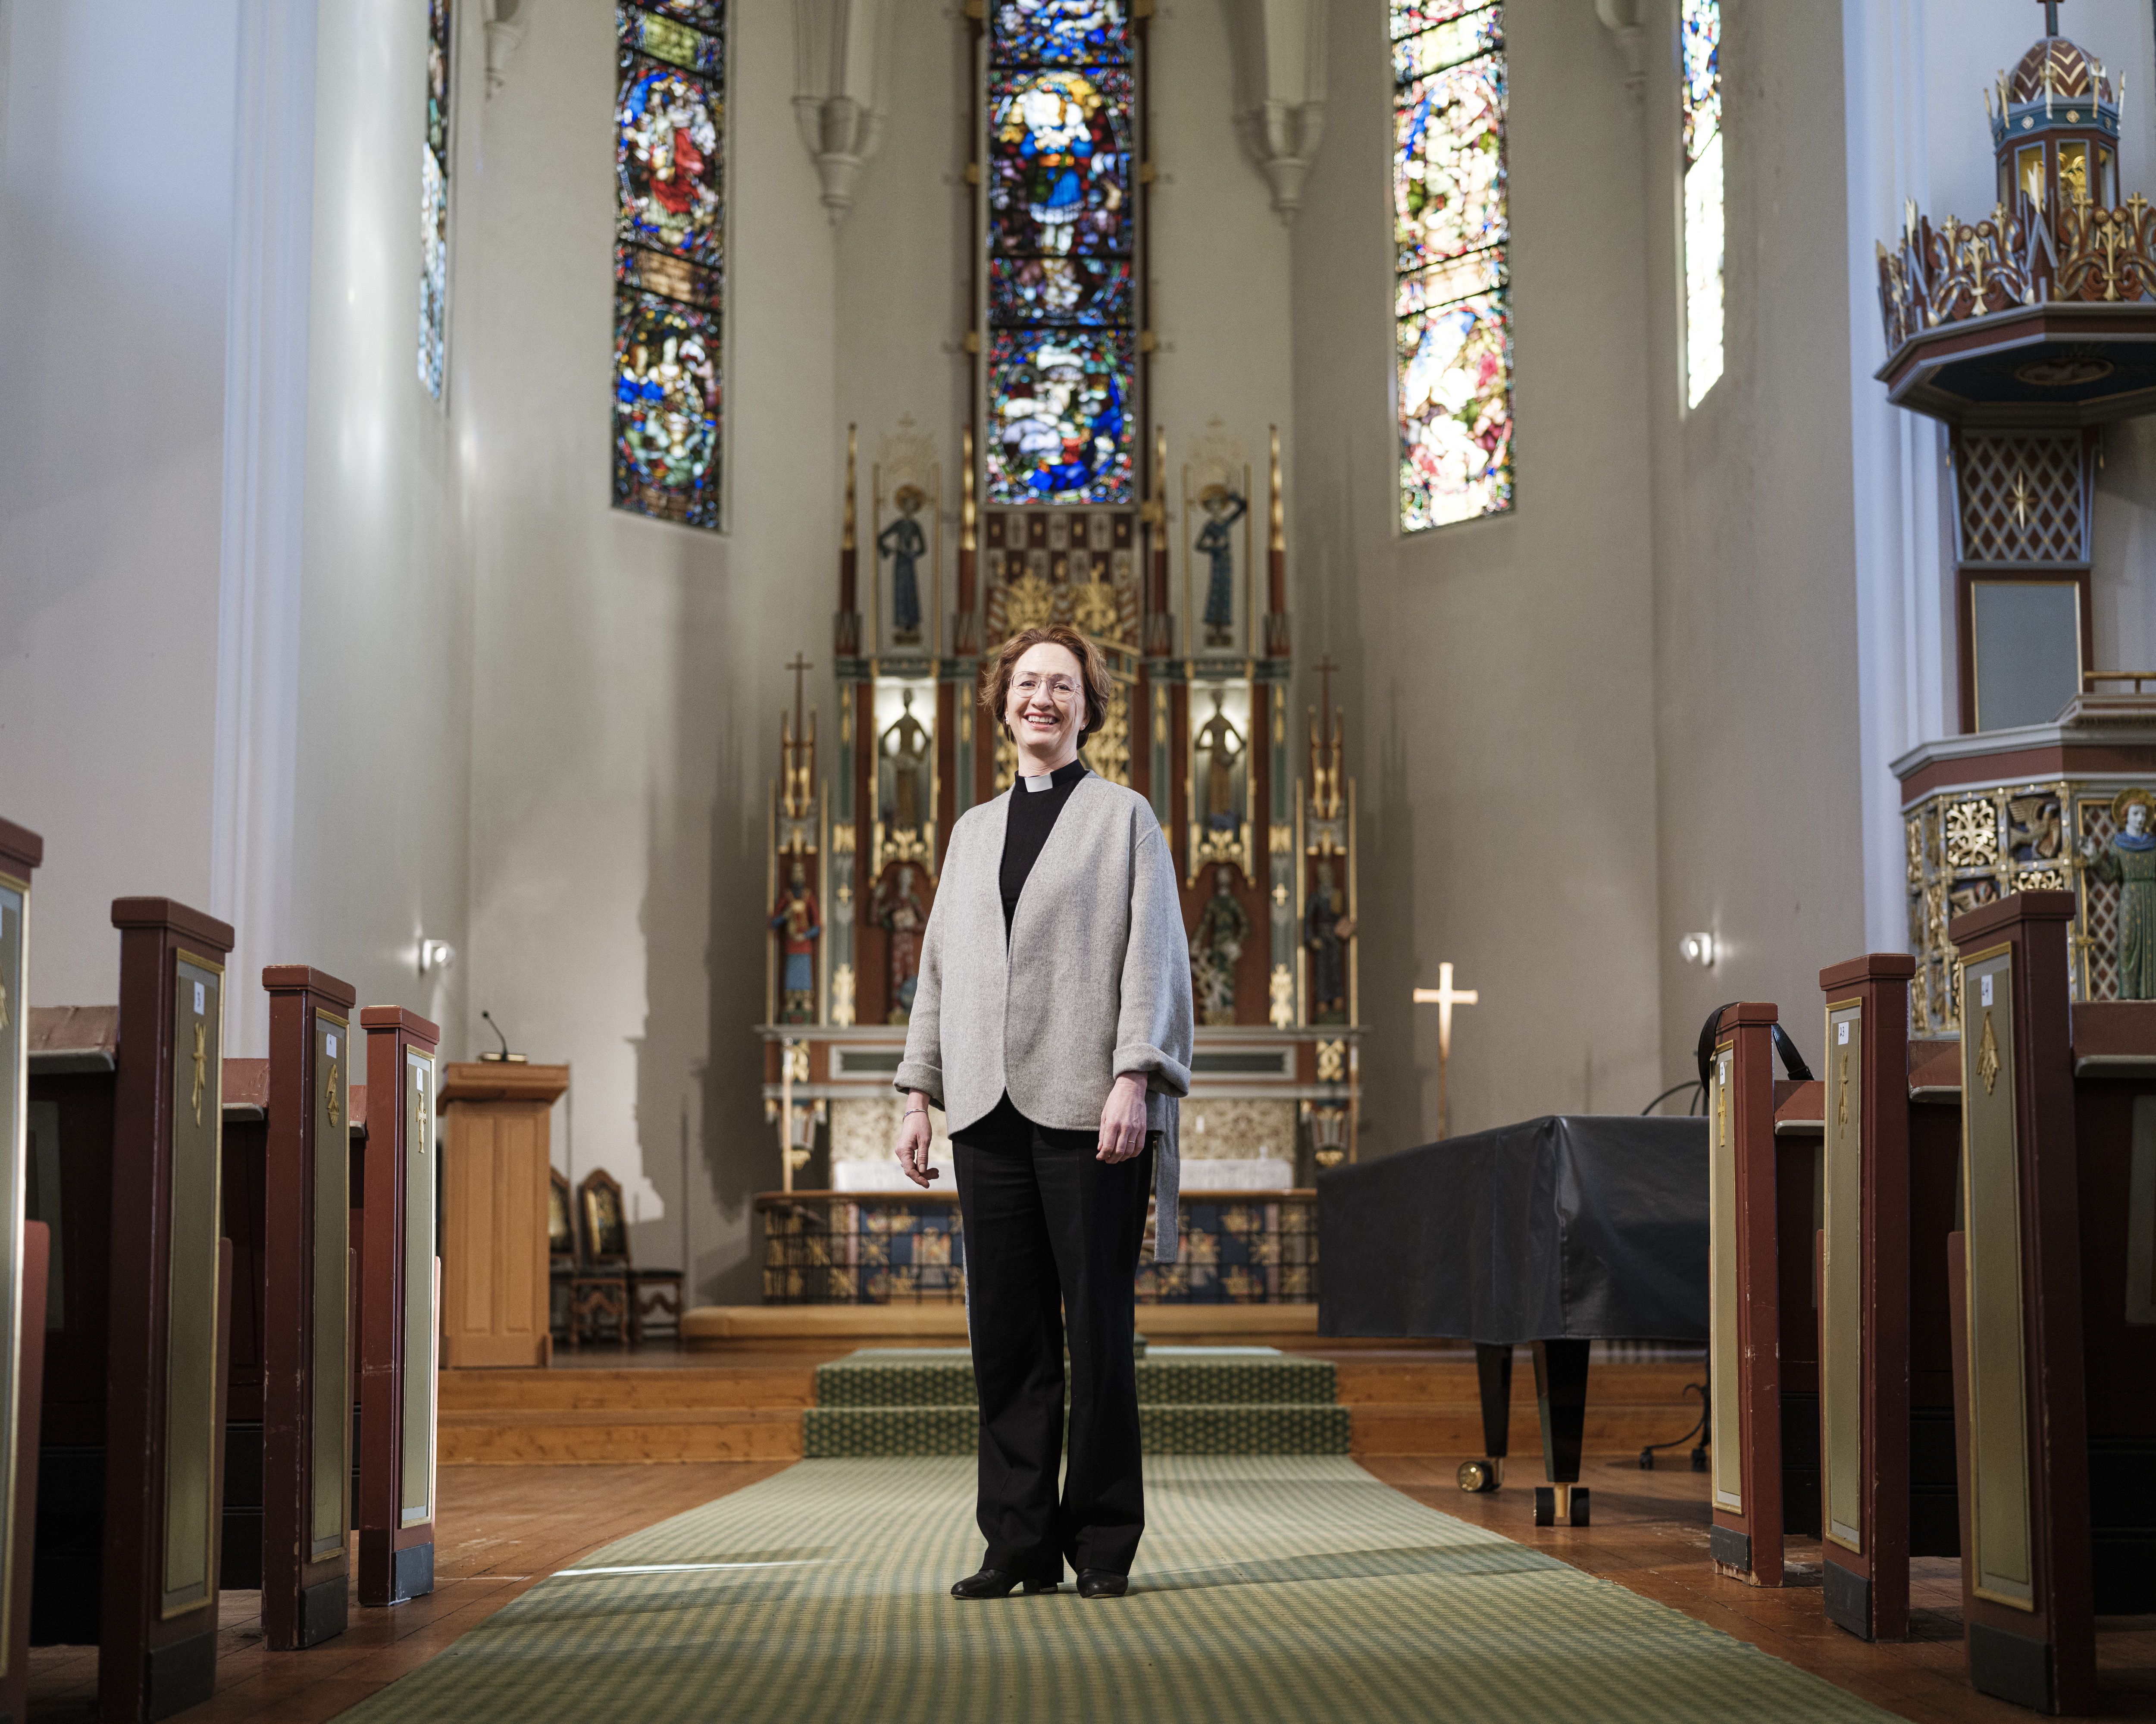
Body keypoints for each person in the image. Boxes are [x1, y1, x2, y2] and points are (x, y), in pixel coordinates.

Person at [892, 622, 1192, 1602]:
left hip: (1086, 1109)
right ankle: (1015, 1544)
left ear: (1087, 706)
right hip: (984, 1111)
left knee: (1097, 1331)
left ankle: (1102, 1541)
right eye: (1027, 683)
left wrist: (1133, 1075)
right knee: (1008, 1337)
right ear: (1003, 701)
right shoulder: (971, 830)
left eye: (1061, 685)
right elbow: (937, 972)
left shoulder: (1123, 819)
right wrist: (915, 1091)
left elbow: (1152, 955)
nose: (1042, 699)